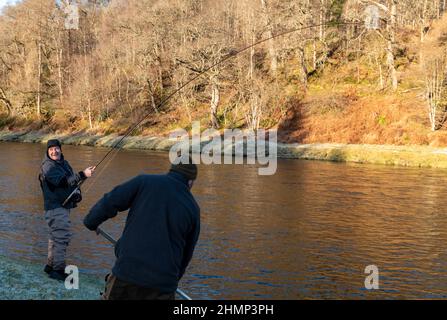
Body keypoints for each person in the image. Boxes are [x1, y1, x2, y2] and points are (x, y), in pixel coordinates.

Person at [83, 159, 200, 300]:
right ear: (191, 182)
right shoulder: (193, 208)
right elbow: (186, 254)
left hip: (127, 273)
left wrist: (91, 222)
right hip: (162, 285)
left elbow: (111, 201)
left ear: (171, 171)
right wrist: (172, 280)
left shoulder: (144, 181)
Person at [39, 139, 95, 281]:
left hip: (62, 207)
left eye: (56, 148)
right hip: (55, 208)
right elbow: (63, 182)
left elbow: (71, 182)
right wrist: (83, 174)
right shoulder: (48, 166)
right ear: (48, 151)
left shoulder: (64, 164)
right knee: (61, 238)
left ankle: (50, 266)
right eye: (51, 149)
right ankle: (58, 270)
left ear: (60, 150)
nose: (54, 151)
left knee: (54, 237)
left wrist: (77, 194)